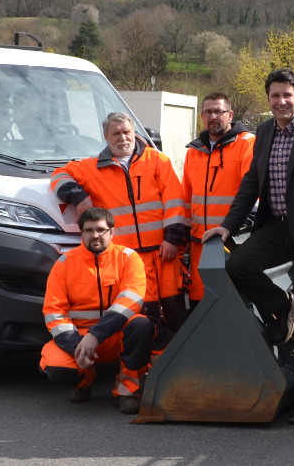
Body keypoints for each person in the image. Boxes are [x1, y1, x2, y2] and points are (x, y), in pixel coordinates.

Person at [202, 68, 294, 425]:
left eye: (287, 95)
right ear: (268, 99)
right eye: (275, 96)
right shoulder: (263, 132)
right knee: (238, 266)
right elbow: (252, 182)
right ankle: (282, 304)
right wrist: (227, 226)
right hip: (275, 228)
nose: (281, 102)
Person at [50, 112, 190, 344]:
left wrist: (173, 239)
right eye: (116, 133)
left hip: (164, 252)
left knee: (175, 309)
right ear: (106, 136)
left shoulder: (157, 160)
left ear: (134, 133)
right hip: (129, 258)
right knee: (144, 313)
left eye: (127, 132)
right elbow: (58, 175)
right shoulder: (91, 167)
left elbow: (174, 202)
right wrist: (79, 197)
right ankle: (149, 365)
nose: (122, 137)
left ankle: (179, 362)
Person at [41, 207, 154, 414]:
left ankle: (128, 392)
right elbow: (54, 312)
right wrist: (77, 345)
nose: (95, 235)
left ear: (112, 232)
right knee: (57, 368)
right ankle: (83, 381)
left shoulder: (129, 258)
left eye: (101, 229)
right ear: (81, 233)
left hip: (114, 336)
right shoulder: (64, 264)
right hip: (80, 338)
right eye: (89, 230)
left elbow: (132, 300)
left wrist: (96, 335)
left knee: (140, 324)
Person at [182, 92, 256, 304]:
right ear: (202, 116)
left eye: (218, 111)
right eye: (208, 112)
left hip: (233, 242)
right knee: (200, 301)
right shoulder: (193, 152)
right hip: (200, 242)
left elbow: (252, 192)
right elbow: (186, 199)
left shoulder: (247, 144)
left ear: (230, 114)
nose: (213, 116)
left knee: (234, 303)